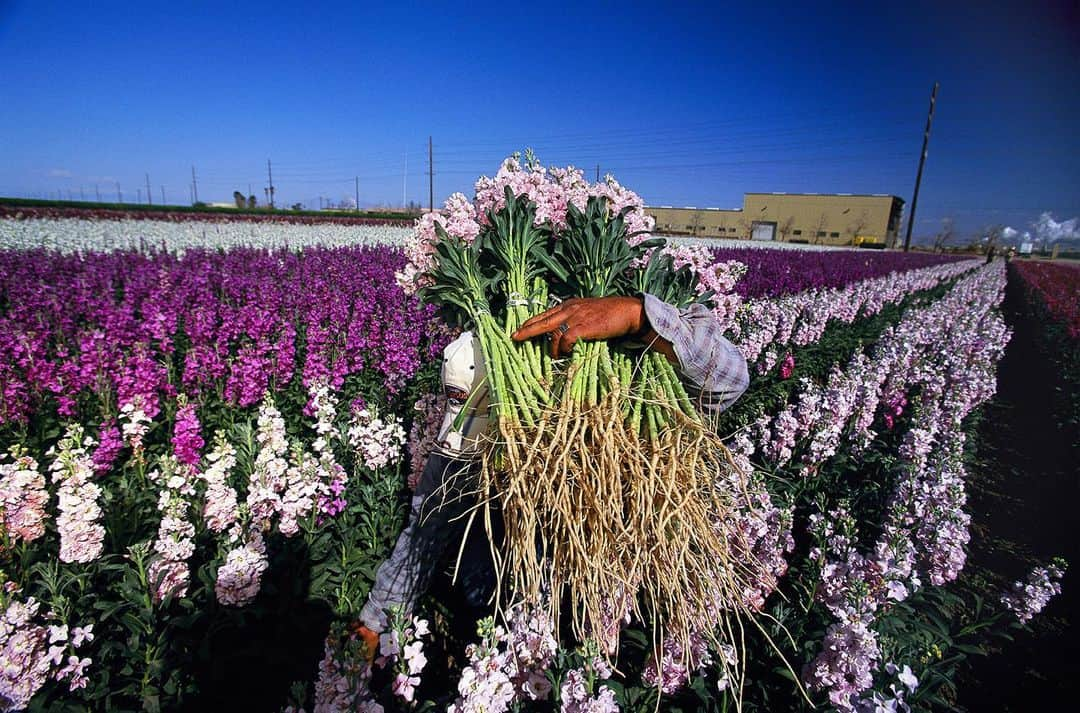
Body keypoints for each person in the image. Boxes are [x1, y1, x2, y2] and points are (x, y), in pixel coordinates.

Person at [353, 293, 750, 653]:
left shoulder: (650, 322)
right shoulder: (491, 361)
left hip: (613, 595)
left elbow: (730, 382)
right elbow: (433, 512)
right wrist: (377, 617)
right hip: (504, 591)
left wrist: (637, 316)